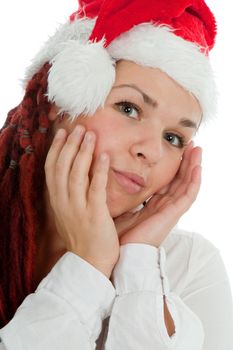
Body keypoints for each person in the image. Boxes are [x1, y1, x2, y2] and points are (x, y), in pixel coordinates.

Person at [0, 0, 232, 349]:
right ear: (59, 103)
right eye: (129, 108)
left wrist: (136, 260)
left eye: (173, 138)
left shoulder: (192, 266)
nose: (151, 152)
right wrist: (89, 264)